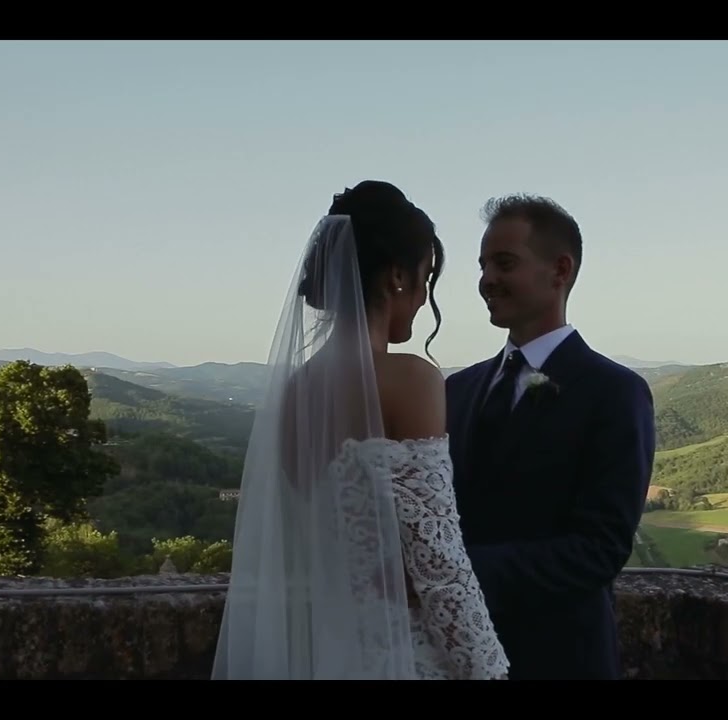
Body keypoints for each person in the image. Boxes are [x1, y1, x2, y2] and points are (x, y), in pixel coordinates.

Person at [211, 180, 510, 680]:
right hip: (404, 655)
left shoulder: (295, 394)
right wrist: (487, 668)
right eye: (425, 278)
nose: (422, 299)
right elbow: (437, 563)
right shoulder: (409, 379)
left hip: (328, 651)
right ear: (397, 277)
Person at [444, 193, 656, 680]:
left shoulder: (615, 392)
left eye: (504, 263)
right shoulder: (457, 389)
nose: (486, 281)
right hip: (455, 654)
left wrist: (456, 572)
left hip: (561, 656)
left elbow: (599, 548)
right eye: (482, 265)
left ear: (560, 271)